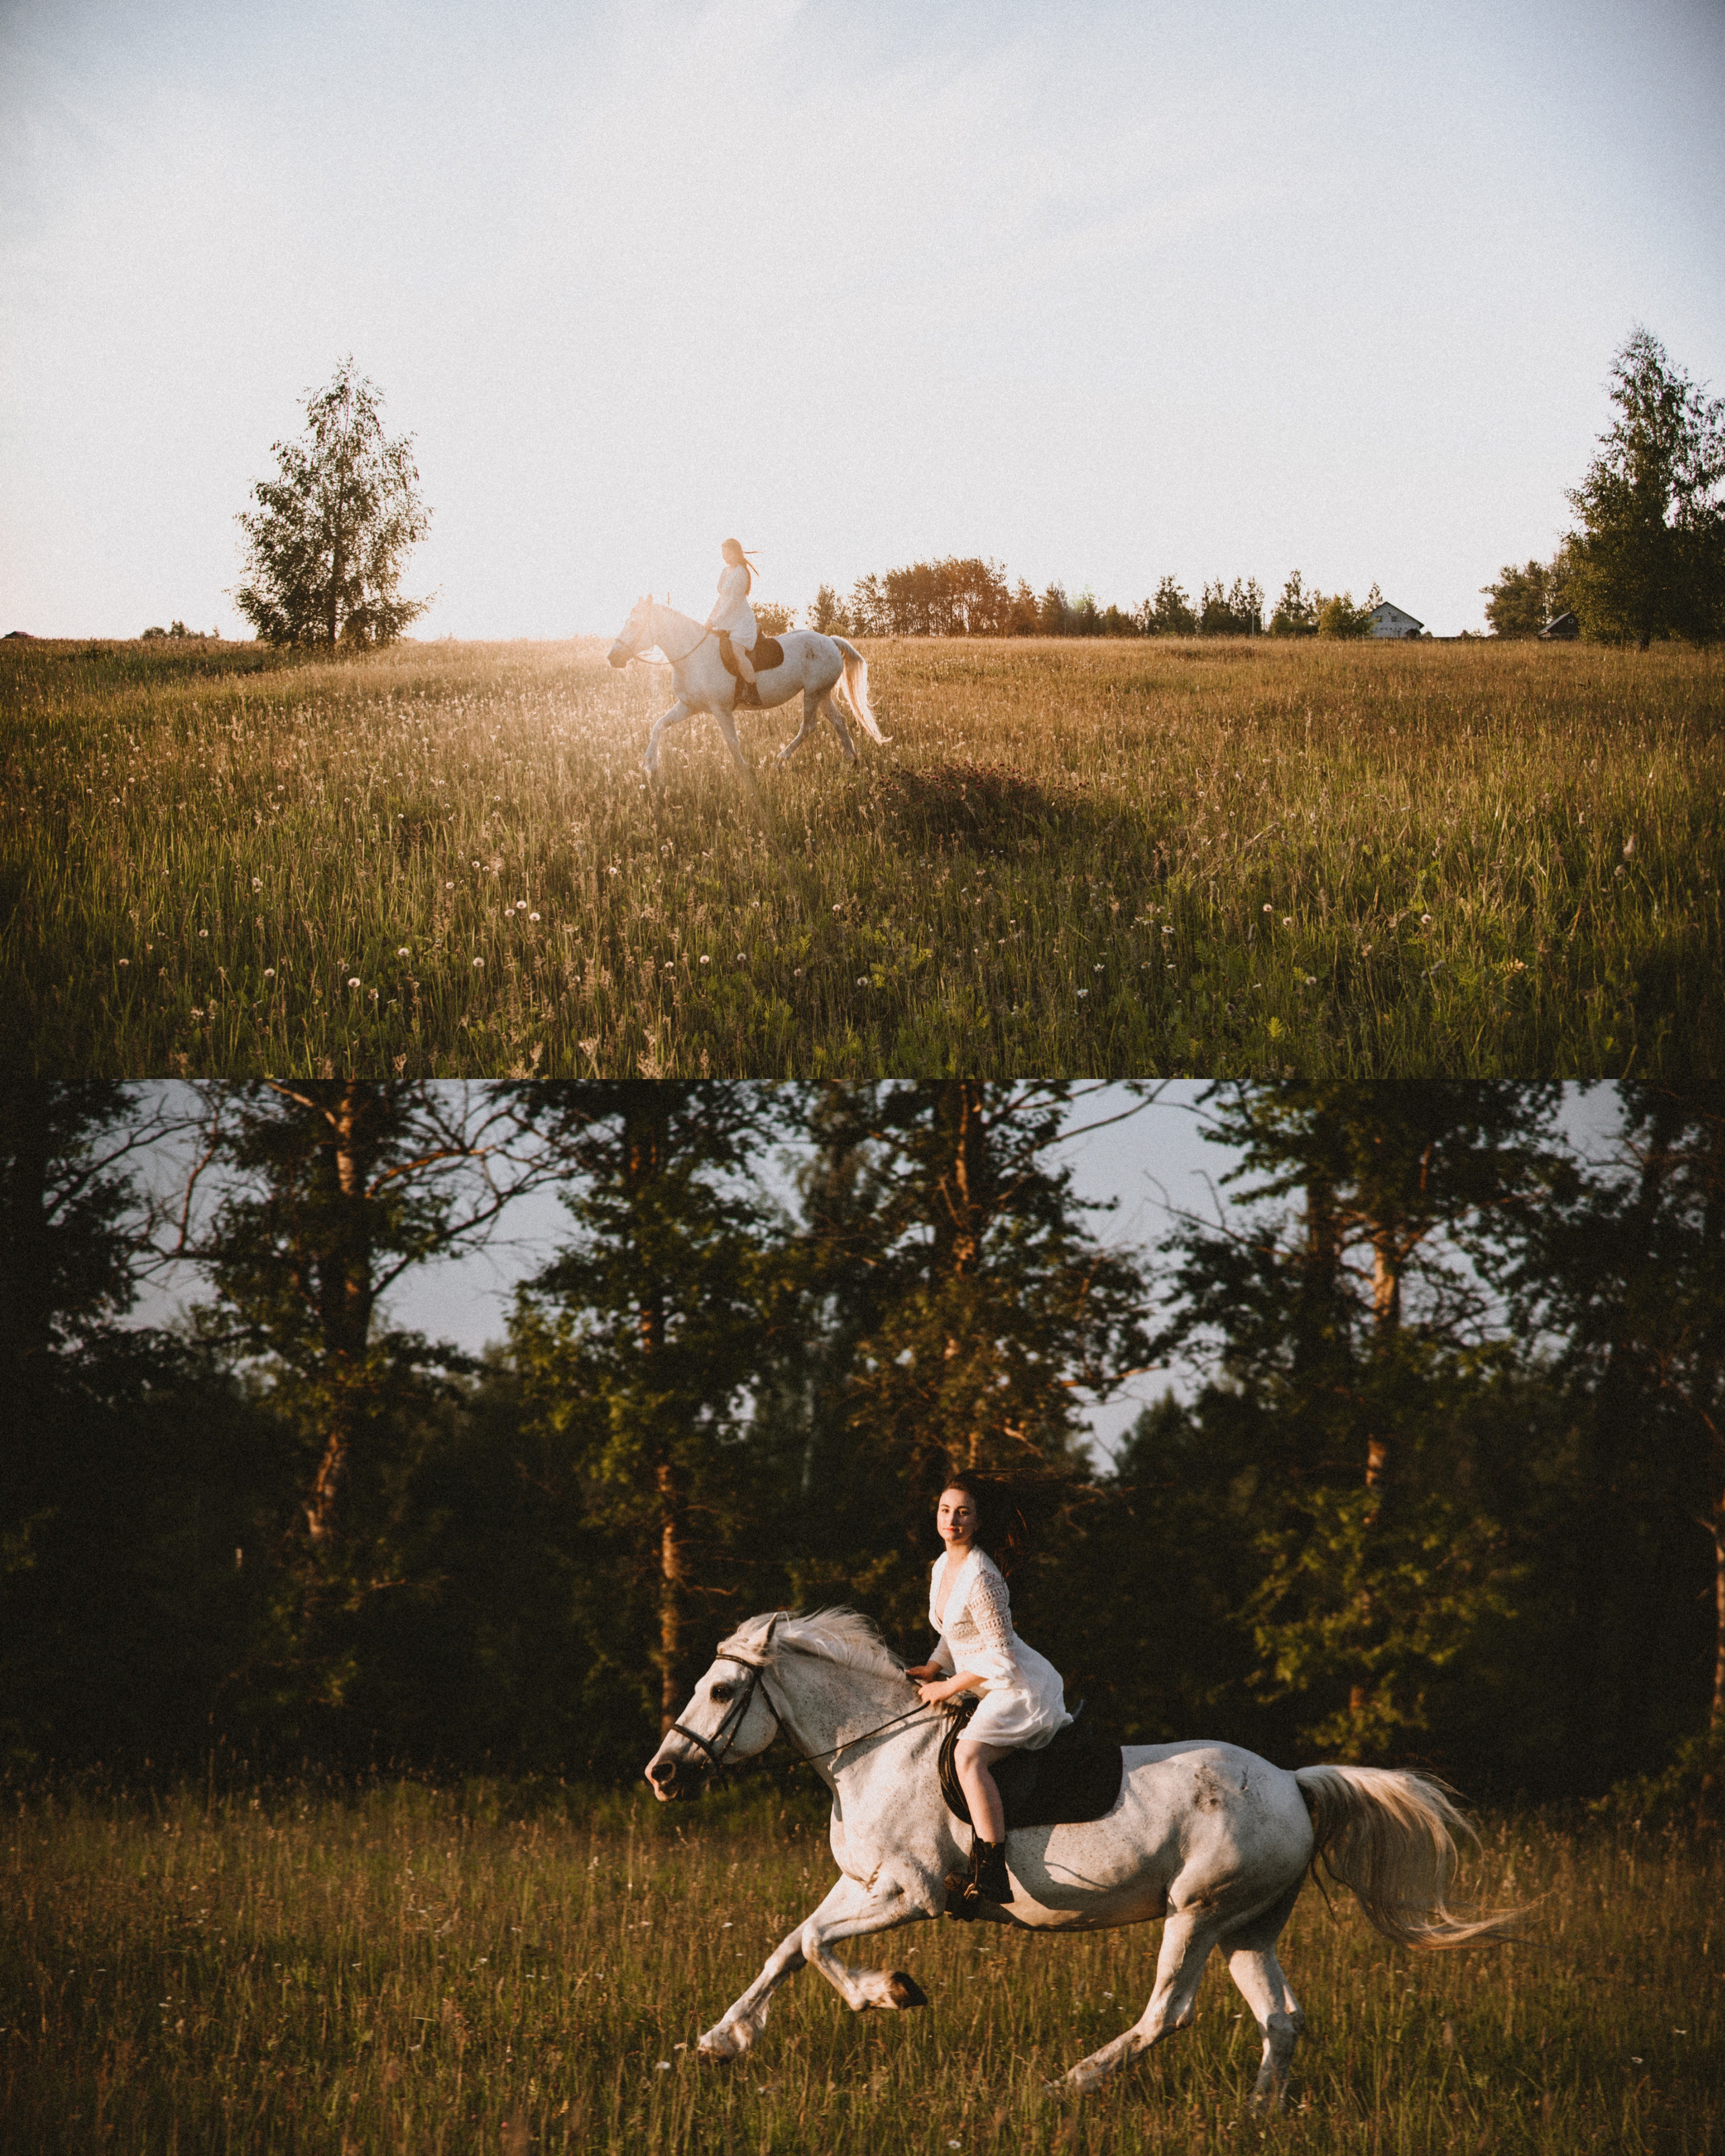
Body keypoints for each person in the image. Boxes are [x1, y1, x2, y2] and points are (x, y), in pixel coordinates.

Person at [904, 1476, 1071, 1909]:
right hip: (983, 1683)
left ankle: (992, 1872)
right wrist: (934, 1665)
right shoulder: (943, 1566)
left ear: (977, 1522)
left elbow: (1001, 1657)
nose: (952, 1519)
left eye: (963, 1512)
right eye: (945, 1510)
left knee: (968, 1756)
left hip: (1017, 1686)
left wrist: (947, 1686)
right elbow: (954, 1632)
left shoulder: (983, 1575)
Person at [705, 536, 759, 703]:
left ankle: (752, 691)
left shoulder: (742, 573)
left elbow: (732, 604)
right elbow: (721, 601)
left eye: (727, 553)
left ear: (735, 553)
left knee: (737, 651)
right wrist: (709, 620)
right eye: (723, 554)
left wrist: (715, 622)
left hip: (742, 622)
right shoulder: (725, 571)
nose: (724, 557)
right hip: (728, 619)